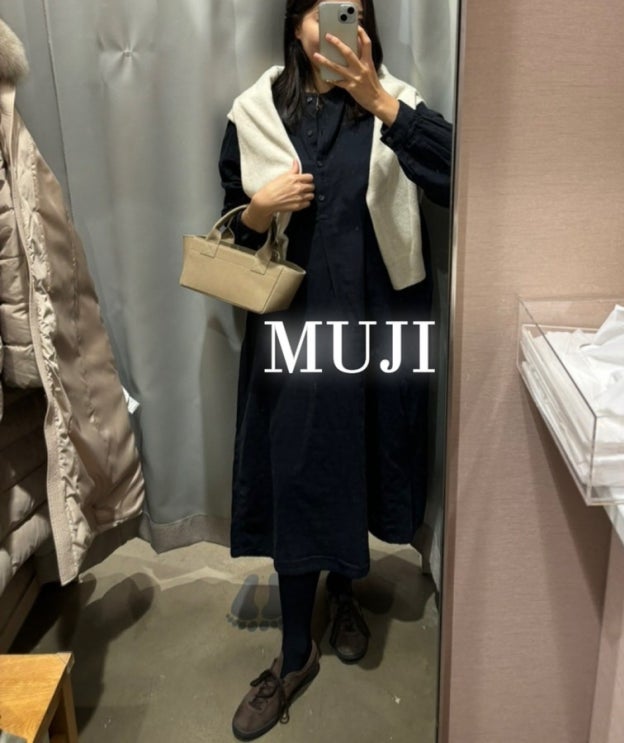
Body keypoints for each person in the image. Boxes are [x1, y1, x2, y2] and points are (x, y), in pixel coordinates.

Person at [218, 1, 452, 739]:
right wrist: (259, 209)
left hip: (378, 320)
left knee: (360, 457)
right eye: (325, 10)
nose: (341, 25)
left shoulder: (393, 102)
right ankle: (294, 651)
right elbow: (231, 230)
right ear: (296, 24)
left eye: (355, 9)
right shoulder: (257, 112)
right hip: (293, 326)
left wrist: (380, 102)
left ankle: (345, 593)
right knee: (296, 470)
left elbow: (459, 176)